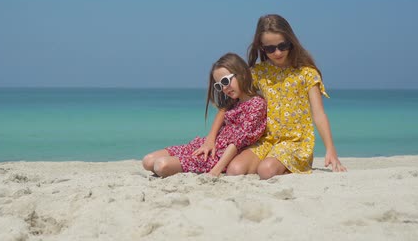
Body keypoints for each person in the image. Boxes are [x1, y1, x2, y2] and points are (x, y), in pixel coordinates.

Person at [197, 14, 347, 179]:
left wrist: (330, 149)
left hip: (295, 143)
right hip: (265, 141)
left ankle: (287, 166)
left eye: (283, 46)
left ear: (291, 42)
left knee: (266, 170)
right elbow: (228, 106)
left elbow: (319, 114)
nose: (277, 52)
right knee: (234, 170)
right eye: (270, 48)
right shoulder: (257, 73)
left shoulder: (307, 73)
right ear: (262, 48)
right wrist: (210, 139)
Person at [142, 53, 267, 177]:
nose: (224, 88)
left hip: (219, 155)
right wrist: (210, 140)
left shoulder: (257, 104)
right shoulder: (234, 101)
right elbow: (222, 112)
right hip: (208, 146)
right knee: (147, 161)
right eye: (219, 85)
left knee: (161, 166)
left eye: (225, 81)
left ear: (241, 73)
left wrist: (216, 170)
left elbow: (237, 143)